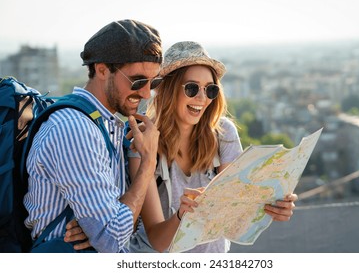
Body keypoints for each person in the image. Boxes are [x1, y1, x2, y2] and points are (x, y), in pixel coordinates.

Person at [23, 19, 196, 253]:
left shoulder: (107, 124)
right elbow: (112, 240)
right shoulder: (76, 130)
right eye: (138, 81)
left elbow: (119, 224)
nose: (146, 93)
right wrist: (148, 162)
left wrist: (99, 225)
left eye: (154, 82)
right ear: (102, 70)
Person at [126, 41, 298, 253]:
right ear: (168, 90)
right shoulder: (143, 140)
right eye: (191, 88)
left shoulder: (224, 133)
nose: (202, 98)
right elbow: (157, 241)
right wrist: (182, 215)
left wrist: (272, 205)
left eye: (211, 90)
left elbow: (235, 211)